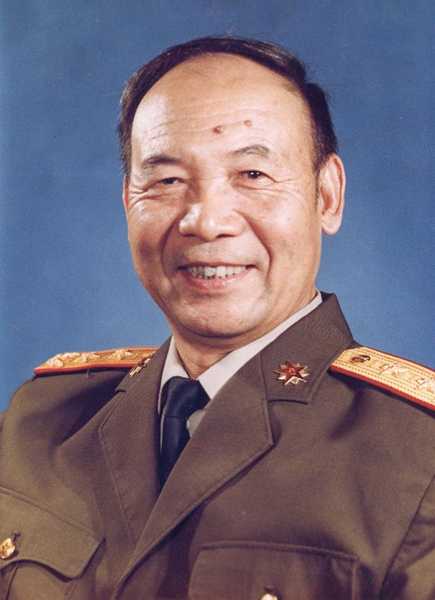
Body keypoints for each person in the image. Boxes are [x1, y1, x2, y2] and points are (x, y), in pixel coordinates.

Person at [1, 36, 434, 600]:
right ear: (129, 201)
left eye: (252, 174)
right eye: (167, 180)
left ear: (326, 196)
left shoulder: (419, 456)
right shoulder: (35, 426)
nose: (205, 222)